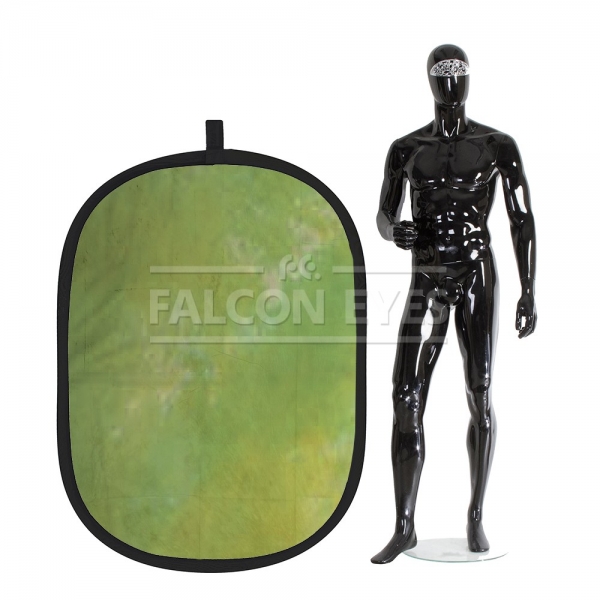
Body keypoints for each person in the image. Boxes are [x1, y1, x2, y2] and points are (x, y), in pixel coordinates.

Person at [371, 44, 537, 564]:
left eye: (457, 72)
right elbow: (383, 215)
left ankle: (476, 515)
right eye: (442, 73)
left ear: (468, 79)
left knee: (478, 392)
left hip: (475, 272)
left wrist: (529, 289)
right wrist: (394, 231)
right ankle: (404, 526)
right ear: (430, 80)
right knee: (405, 395)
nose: (450, 82)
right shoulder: (406, 149)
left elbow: (520, 219)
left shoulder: (496, 145)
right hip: (426, 274)